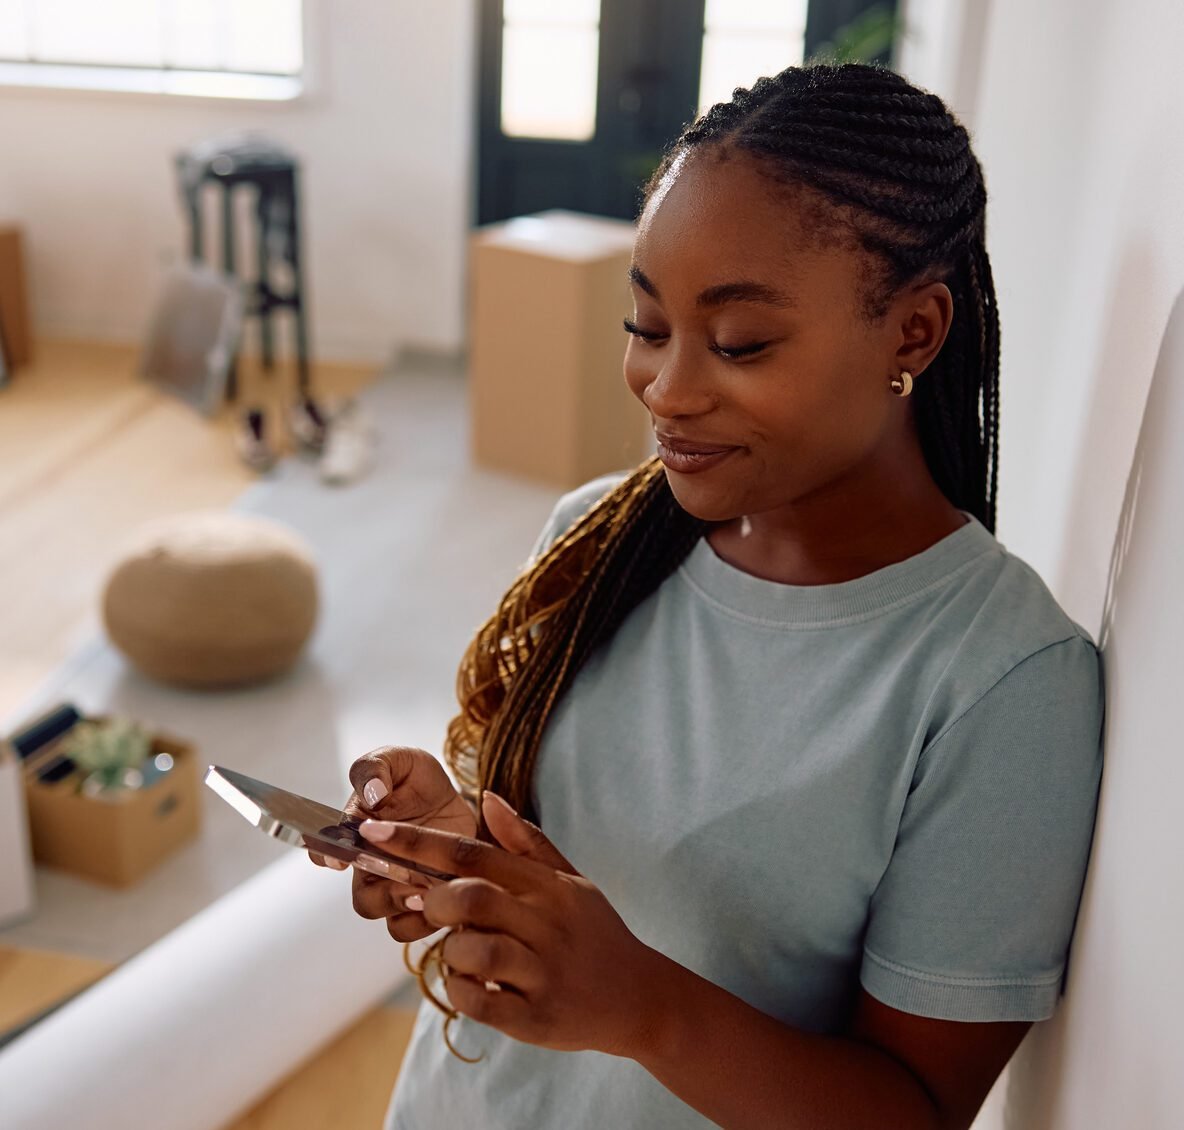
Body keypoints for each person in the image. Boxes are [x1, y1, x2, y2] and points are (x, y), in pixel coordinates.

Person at [311, 62, 1104, 1129]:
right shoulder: (593, 538)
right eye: (645, 327)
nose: (666, 389)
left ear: (912, 333)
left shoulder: (1002, 683)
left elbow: (912, 1110)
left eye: (738, 343)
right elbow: (571, 864)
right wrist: (455, 847)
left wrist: (644, 1006)